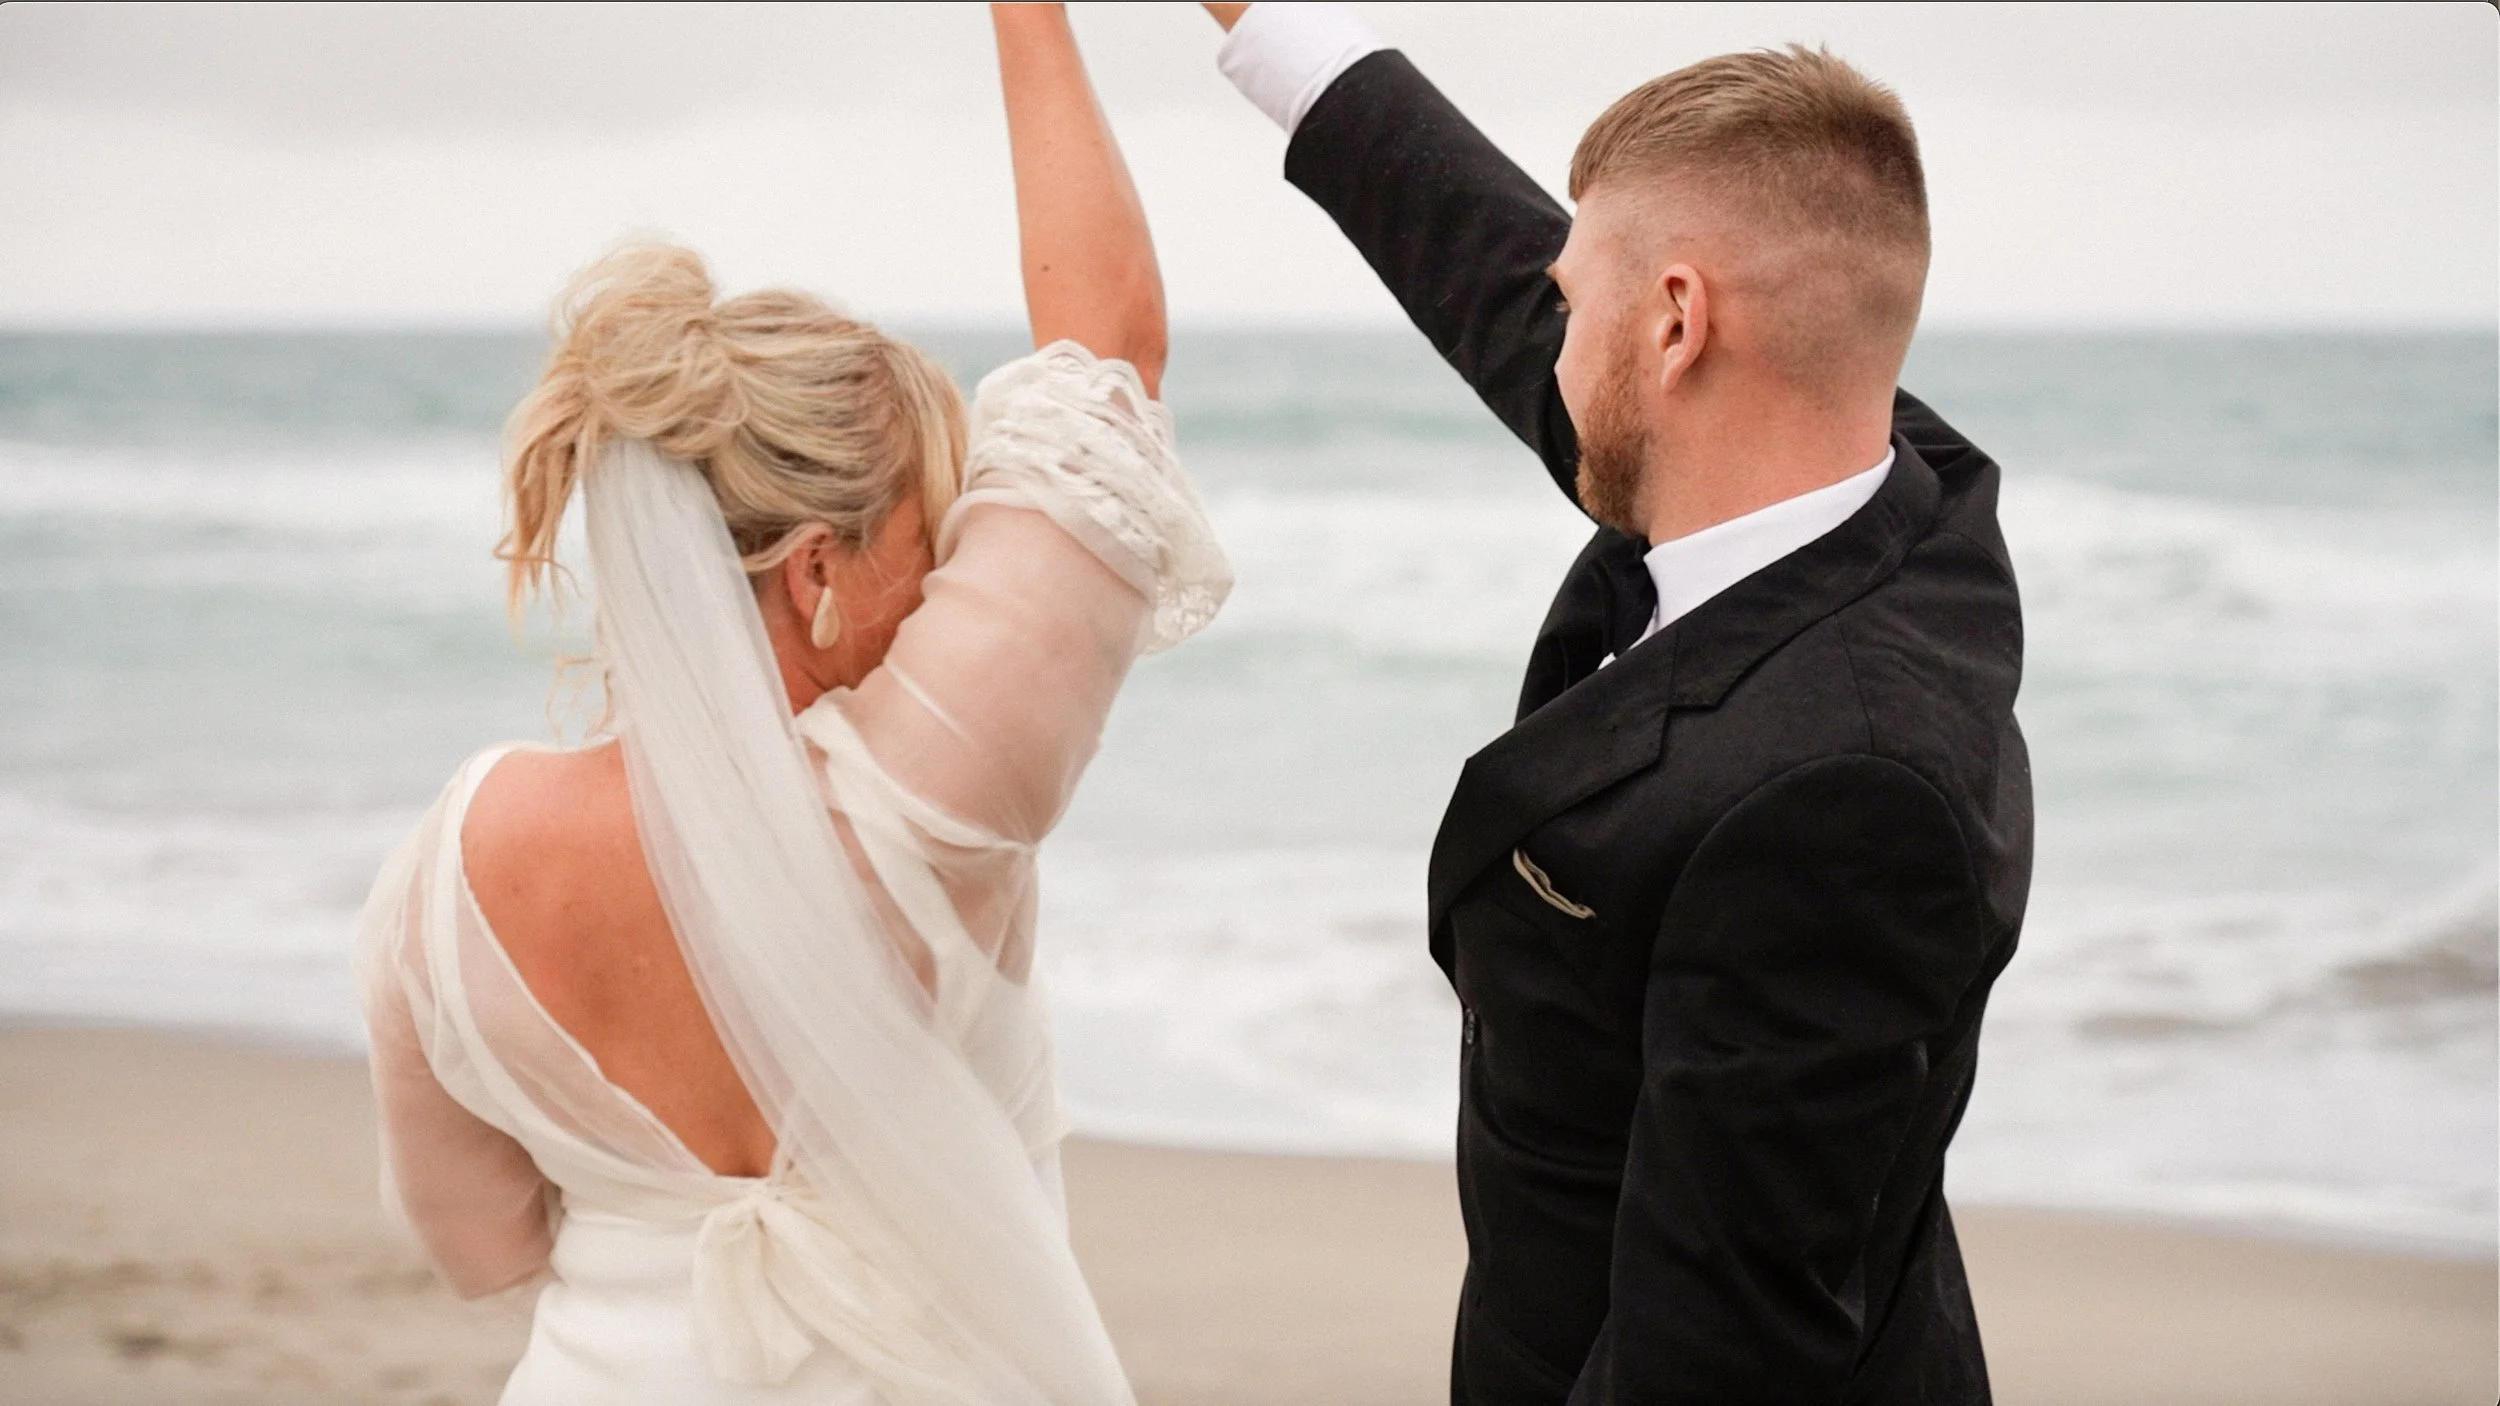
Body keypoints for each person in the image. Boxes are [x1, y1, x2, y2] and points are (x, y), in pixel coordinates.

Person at [354, 7, 1227, 1402]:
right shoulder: (927, 794)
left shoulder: (451, 870)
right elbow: (1108, 347)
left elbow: (481, 1245)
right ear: (819, 569)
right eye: (926, 534)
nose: (948, 573)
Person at [1200, 5, 2031, 1403]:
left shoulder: (1840, 796)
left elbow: (1714, 1354)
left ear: (1678, 321)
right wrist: (1271, 27)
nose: (1548, 326)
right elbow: (1497, 269)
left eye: (1578, 297)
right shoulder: (1896, 491)